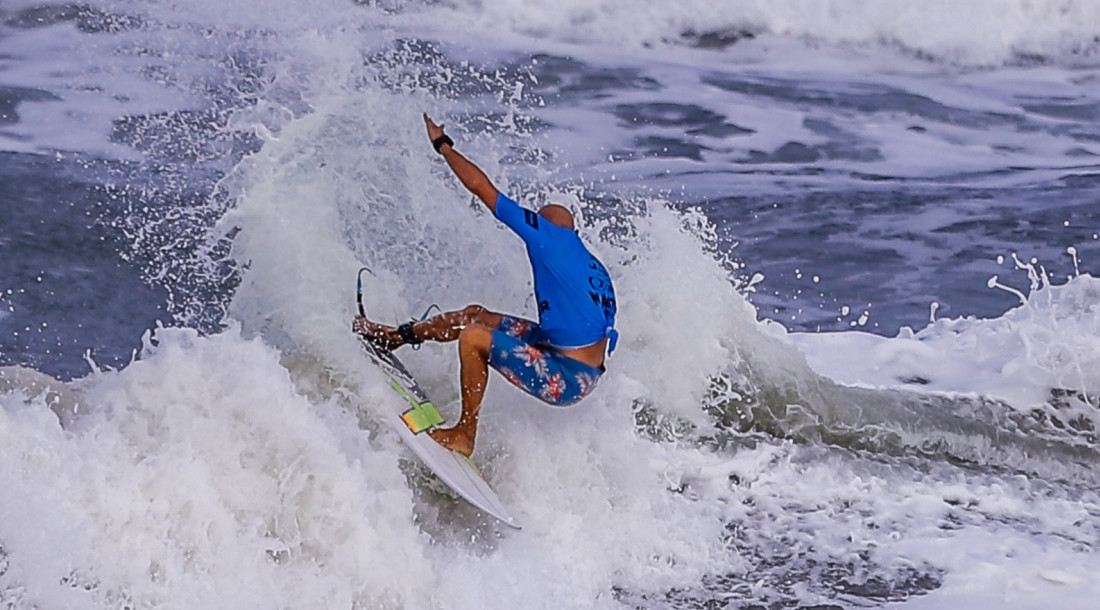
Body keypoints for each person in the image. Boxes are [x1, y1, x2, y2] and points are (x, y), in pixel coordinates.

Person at [353, 113, 618, 457]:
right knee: (475, 316)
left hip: (568, 378)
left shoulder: (546, 239)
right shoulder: (591, 263)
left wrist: (442, 145)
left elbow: (481, 188)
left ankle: (465, 433)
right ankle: (398, 337)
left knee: (474, 336)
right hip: (564, 352)